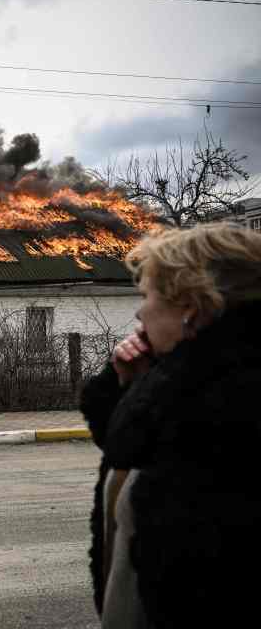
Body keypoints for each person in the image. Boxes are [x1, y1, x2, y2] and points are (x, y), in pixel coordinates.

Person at [79, 222, 261, 628]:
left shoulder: (223, 410)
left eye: (147, 296)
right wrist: (132, 383)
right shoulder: (186, 392)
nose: (140, 311)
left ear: (190, 307)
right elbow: (129, 447)